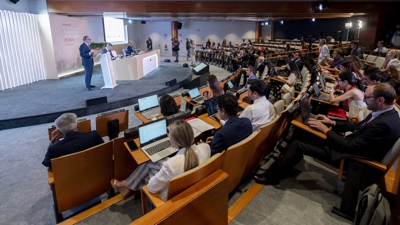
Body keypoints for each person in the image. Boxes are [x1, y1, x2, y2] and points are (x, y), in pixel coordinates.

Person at [253, 83, 400, 185]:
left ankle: (274, 176)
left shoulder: (384, 124)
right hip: (348, 146)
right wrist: (331, 122)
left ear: (381, 100)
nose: (364, 99)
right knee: (303, 132)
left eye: (367, 97)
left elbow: (350, 146)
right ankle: (284, 164)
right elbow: (357, 126)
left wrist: (325, 130)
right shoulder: (384, 113)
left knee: (299, 143)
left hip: (350, 158)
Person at [111, 120, 210, 200]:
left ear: (175, 141)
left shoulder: (171, 164)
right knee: (151, 162)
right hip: (191, 182)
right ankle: (128, 185)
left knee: (148, 173)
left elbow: (151, 187)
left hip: (170, 194)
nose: (169, 138)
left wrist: (156, 175)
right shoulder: (206, 147)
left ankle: (127, 185)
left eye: (170, 136)